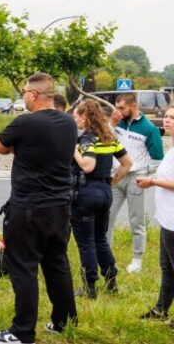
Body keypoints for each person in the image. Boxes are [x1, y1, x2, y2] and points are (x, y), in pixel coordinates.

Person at [0, 72, 78, 344]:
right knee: (57, 264)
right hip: (60, 206)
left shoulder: (24, 123)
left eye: (24, 92)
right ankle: (64, 321)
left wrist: (19, 148)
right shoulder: (69, 122)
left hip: (28, 207)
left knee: (23, 267)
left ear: (34, 95)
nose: (23, 96)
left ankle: (22, 332)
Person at [70, 100, 132, 298]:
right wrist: (111, 183)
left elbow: (88, 165)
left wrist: (75, 152)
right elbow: (127, 163)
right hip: (105, 191)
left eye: (76, 117)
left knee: (86, 242)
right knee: (100, 239)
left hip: (87, 192)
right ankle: (111, 281)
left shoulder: (87, 138)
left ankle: (90, 287)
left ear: (85, 118)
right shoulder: (108, 136)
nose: (75, 121)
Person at [106, 92, 165, 273]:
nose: (119, 111)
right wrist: (111, 124)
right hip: (116, 176)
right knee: (106, 217)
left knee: (136, 220)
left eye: (122, 108)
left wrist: (143, 173)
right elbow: (102, 139)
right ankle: (105, 255)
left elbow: (157, 159)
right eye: (117, 107)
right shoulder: (117, 123)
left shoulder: (149, 128)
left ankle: (137, 259)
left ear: (135, 106)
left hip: (136, 178)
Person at [136, 104, 174, 329]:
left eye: (172, 118)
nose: (167, 120)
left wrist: (153, 182)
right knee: (167, 267)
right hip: (166, 219)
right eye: (166, 116)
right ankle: (161, 309)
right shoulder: (171, 148)